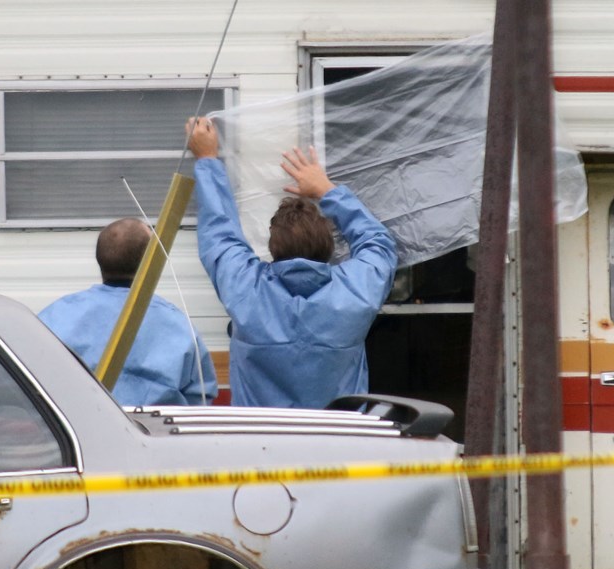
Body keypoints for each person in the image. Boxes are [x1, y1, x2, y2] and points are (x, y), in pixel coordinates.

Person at [186, 116, 397, 409]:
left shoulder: (248, 290)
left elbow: (219, 235)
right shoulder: (355, 293)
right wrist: (327, 190)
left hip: (262, 446)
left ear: (273, 249)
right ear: (329, 247)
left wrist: (207, 160)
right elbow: (379, 243)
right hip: (341, 444)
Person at [38, 217, 217, 406]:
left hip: (74, 431)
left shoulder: (54, 317)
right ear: (151, 262)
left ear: (100, 259)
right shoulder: (180, 326)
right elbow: (200, 400)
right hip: (154, 433)